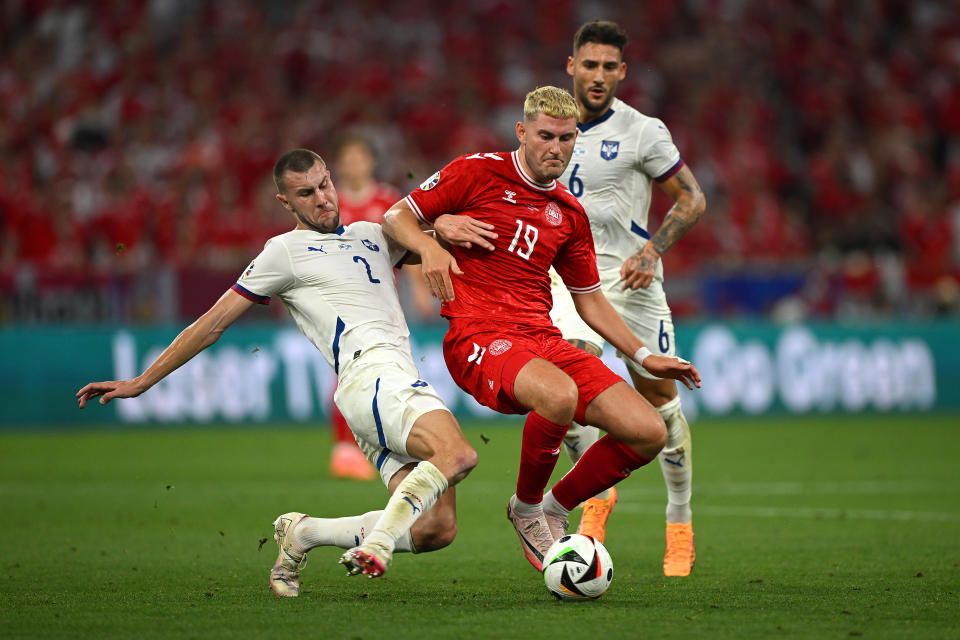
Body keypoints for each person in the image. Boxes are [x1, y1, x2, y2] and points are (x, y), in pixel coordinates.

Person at [75, 149, 478, 594]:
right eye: (306, 193)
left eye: (325, 184)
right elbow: (211, 324)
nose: (323, 198)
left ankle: (304, 533)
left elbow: (443, 240)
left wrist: (442, 228)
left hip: (386, 386)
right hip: (374, 377)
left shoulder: (373, 234)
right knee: (458, 455)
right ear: (285, 203)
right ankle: (378, 544)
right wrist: (141, 381)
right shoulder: (284, 252)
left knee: (435, 529)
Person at [380, 86, 700, 572]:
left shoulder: (569, 213)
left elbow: (590, 299)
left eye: (567, 139)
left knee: (647, 431)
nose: (557, 148)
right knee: (559, 395)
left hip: (539, 338)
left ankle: (553, 507)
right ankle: (527, 507)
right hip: (478, 336)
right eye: (546, 136)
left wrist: (642, 355)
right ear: (522, 132)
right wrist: (432, 243)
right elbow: (395, 216)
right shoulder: (475, 171)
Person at [550, 20, 708, 577]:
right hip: (568, 282)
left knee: (662, 407)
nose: (597, 76)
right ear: (571, 66)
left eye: (608, 67)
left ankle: (680, 520)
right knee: (562, 387)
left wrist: (653, 250)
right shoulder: (548, 130)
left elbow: (692, 198)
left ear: (622, 72)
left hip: (633, 281)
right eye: (588, 64)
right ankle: (597, 493)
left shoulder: (644, 131)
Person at [324, 134, 432, 481]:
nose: (354, 164)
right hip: (340, 302)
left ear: (370, 162)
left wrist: (418, 291)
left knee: (391, 371)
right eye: (348, 158)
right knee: (346, 372)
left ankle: (385, 442)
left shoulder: (387, 200)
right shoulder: (330, 203)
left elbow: (408, 245)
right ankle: (345, 449)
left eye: (360, 158)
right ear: (339, 165)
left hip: (385, 301)